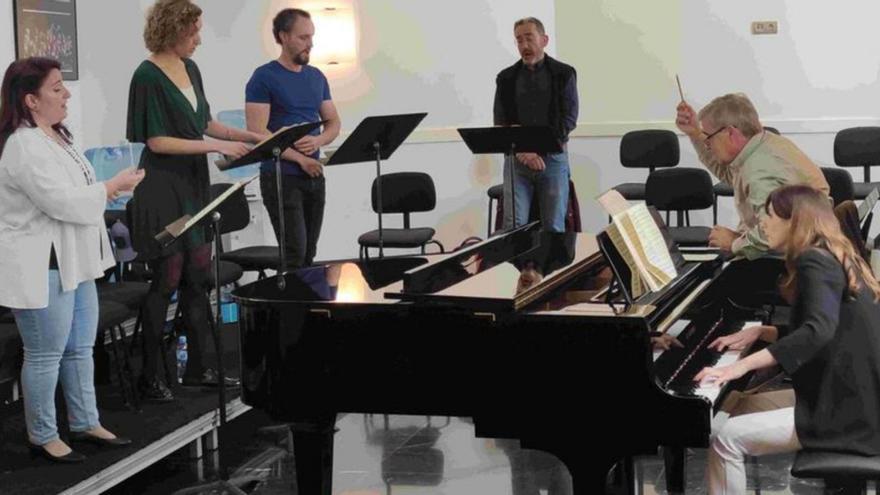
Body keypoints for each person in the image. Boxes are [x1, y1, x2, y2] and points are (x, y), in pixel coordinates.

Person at [0, 57, 142, 462]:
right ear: (31, 99)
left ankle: (84, 421)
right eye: (57, 87)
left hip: (73, 259)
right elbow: (59, 202)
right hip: (42, 264)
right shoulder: (23, 144)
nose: (67, 93)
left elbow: (79, 191)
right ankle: (42, 435)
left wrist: (108, 188)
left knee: (80, 347)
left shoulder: (56, 135)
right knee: (45, 354)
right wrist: (111, 188)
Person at [694, 185, 880, 494]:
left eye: (769, 215)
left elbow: (817, 332)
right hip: (854, 399)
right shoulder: (835, 253)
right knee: (736, 407)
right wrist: (761, 332)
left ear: (794, 221)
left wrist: (735, 369)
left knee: (725, 438)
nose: (762, 223)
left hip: (846, 415)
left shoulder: (813, 261)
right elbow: (830, 330)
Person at [127, 0, 262, 400]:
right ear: (173, 30)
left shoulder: (190, 68)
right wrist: (214, 146)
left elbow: (205, 122)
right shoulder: (146, 75)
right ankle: (151, 375)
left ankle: (200, 367)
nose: (199, 39)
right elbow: (157, 140)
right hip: (162, 185)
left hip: (192, 183)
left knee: (198, 276)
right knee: (167, 278)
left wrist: (251, 137)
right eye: (194, 32)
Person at [676, 94, 829, 306]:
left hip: (791, 265)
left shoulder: (759, 171)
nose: (707, 144)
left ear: (730, 132)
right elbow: (729, 173)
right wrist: (695, 133)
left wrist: (735, 243)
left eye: (708, 137)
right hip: (813, 253)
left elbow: (768, 236)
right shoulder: (765, 145)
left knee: (702, 293)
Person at [245, 8, 341, 269]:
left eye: (311, 37)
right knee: (295, 254)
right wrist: (300, 159)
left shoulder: (316, 77)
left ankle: (307, 309)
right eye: (303, 37)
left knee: (309, 253)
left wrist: (318, 142)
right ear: (283, 36)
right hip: (281, 178)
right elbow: (257, 132)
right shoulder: (263, 77)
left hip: (314, 175)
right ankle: (287, 310)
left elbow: (333, 122)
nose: (310, 43)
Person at [494, 17, 578, 233]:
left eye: (529, 38)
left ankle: (554, 267)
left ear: (544, 40)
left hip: (553, 160)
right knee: (514, 226)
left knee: (554, 227)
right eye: (519, 41)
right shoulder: (506, 78)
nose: (524, 46)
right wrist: (524, 152)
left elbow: (568, 119)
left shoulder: (564, 73)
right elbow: (501, 122)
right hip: (517, 160)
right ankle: (517, 268)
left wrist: (537, 151)